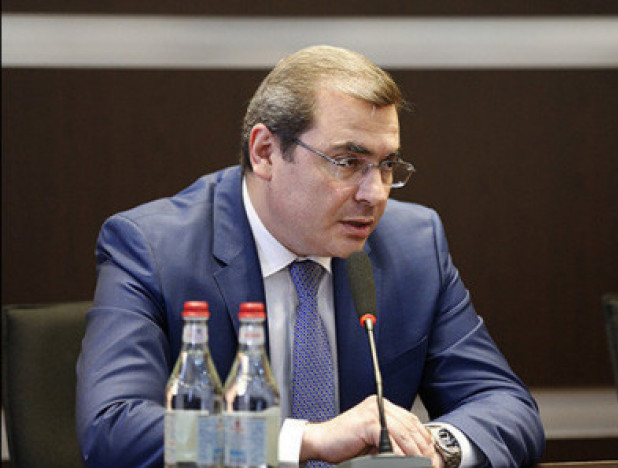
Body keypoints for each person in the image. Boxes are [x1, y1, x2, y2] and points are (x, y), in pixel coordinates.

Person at [76, 45, 545, 468]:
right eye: (348, 162)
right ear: (265, 152)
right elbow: (113, 428)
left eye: (387, 165)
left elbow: (505, 405)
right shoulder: (154, 248)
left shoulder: (413, 244)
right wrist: (306, 441)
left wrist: (431, 449)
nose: (375, 193)